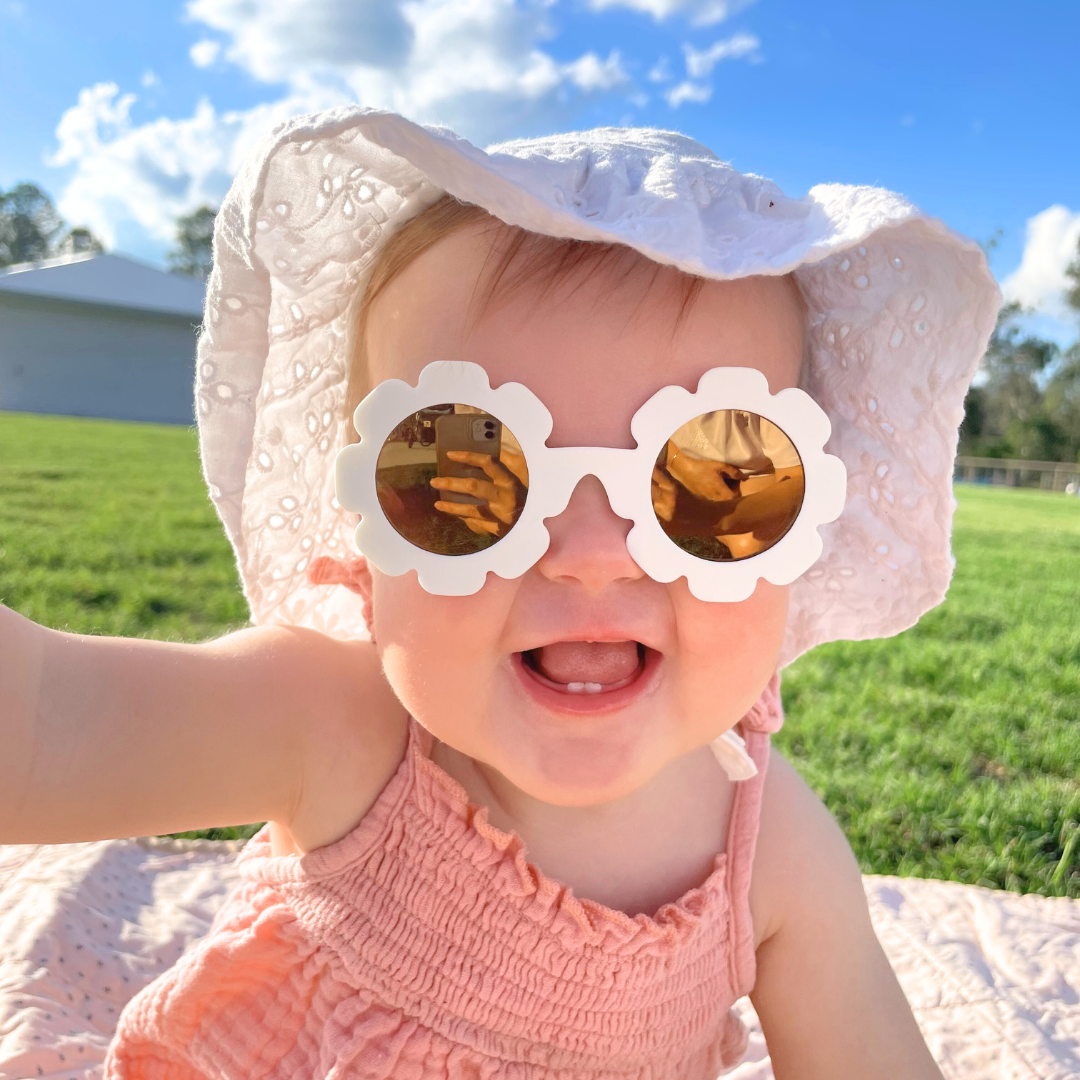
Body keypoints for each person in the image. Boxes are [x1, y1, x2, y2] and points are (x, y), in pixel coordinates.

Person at [0, 109, 999, 1079]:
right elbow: (43, 721)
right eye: (463, 476)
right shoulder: (337, 730)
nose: (592, 557)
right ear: (366, 526)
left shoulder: (772, 850)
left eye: (716, 481)